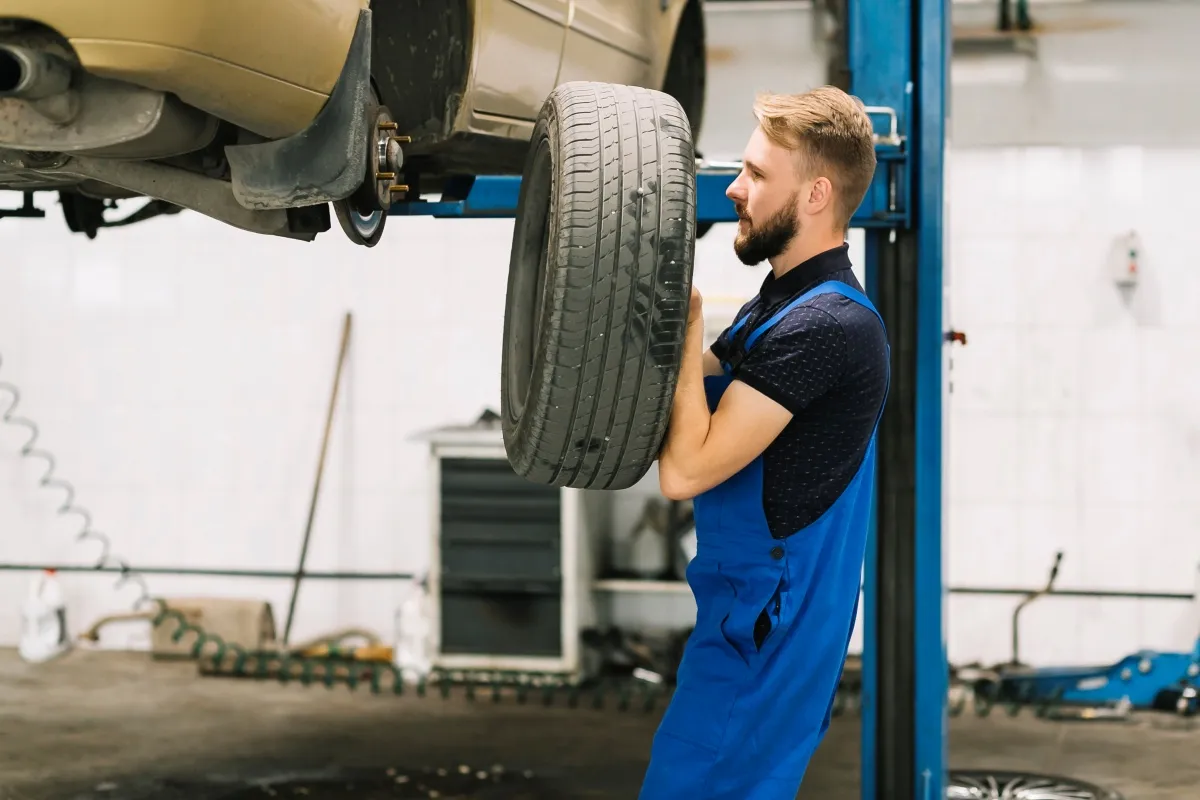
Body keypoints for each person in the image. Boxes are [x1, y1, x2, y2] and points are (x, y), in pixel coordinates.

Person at [640, 86, 891, 799]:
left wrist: (682, 320)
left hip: (767, 637)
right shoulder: (780, 305)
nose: (734, 188)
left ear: (814, 195)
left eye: (754, 174)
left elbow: (685, 469)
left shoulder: (827, 327)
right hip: (743, 615)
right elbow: (704, 375)